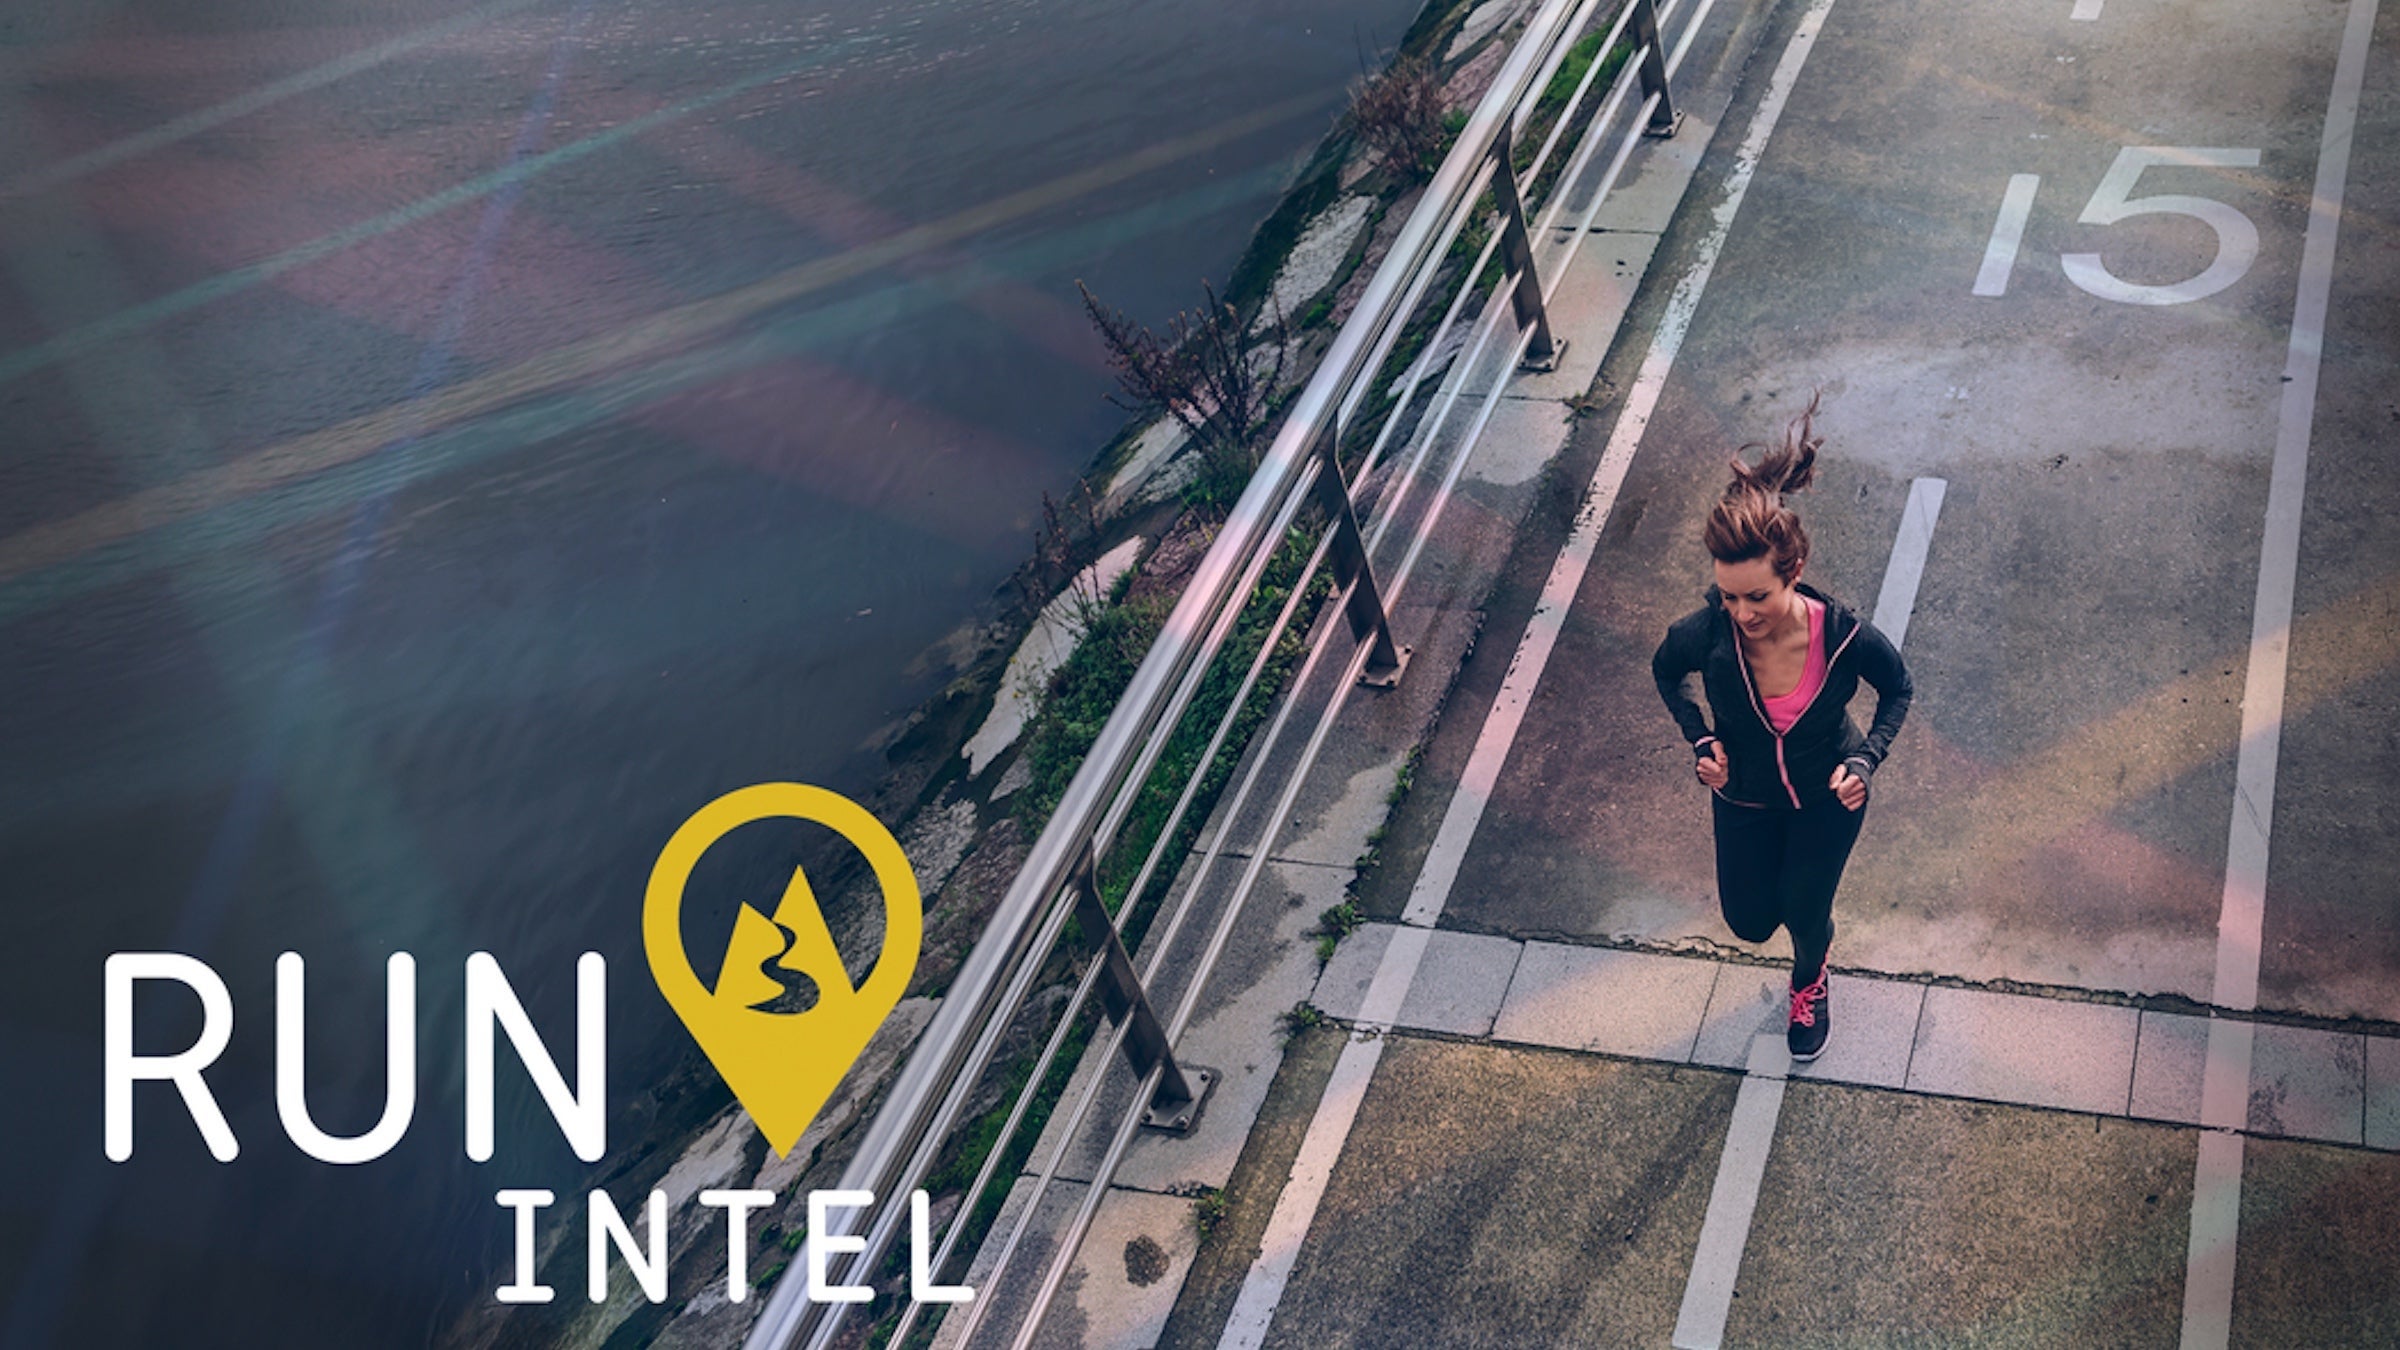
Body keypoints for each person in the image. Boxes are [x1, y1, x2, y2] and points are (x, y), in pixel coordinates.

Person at [1649, 396, 1911, 1060]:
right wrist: (1701, 739)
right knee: (1749, 922)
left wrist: (1866, 762)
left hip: (1827, 800)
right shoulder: (1704, 634)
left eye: (1757, 596)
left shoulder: (1844, 634)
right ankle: (1795, 948)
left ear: (1792, 573)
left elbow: (1898, 689)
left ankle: (1810, 982)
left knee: (1802, 907)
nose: (1741, 612)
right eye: (1729, 595)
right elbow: (1665, 674)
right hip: (1743, 801)